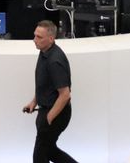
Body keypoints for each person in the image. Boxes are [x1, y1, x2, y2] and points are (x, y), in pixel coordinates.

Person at [22, 20, 78, 163]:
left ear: (51, 39)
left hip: (56, 114)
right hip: (46, 110)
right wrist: (34, 102)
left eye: (39, 37)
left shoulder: (55, 61)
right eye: (35, 36)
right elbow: (44, 84)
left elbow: (65, 95)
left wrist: (49, 118)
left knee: (39, 157)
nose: (35, 40)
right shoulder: (44, 51)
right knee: (50, 151)